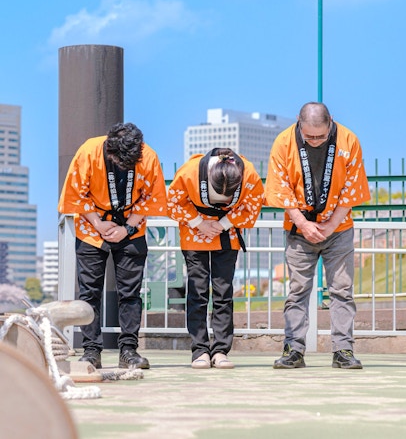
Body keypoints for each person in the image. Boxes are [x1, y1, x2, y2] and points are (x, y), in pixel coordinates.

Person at [265, 102, 370, 370]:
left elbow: (353, 187)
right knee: (298, 290)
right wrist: (303, 223)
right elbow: (280, 189)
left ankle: (343, 350)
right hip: (299, 229)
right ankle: (293, 350)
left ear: (331, 123)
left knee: (342, 290)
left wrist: (332, 224)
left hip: (339, 228)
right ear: (298, 123)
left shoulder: (348, 140)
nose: (314, 141)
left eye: (320, 136)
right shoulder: (283, 142)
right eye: (308, 136)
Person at [58, 122, 167, 370]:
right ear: (110, 150)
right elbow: (76, 194)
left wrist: (127, 228)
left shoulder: (148, 156)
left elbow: (152, 198)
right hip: (91, 223)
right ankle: (91, 350)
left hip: (132, 224)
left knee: (130, 293)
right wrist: (98, 224)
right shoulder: (89, 151)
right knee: (89, 292)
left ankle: (129, 350)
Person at [167, 148, 264, 369]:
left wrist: (222, 224)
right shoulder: (190, 171)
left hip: (227, 233)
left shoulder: (249, 174)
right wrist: (199, 223)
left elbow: (252, 206)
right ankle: (199, 349)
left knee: (223, 291)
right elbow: (172, 201)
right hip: (194, 231)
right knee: (197, 291)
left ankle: (220, 349)